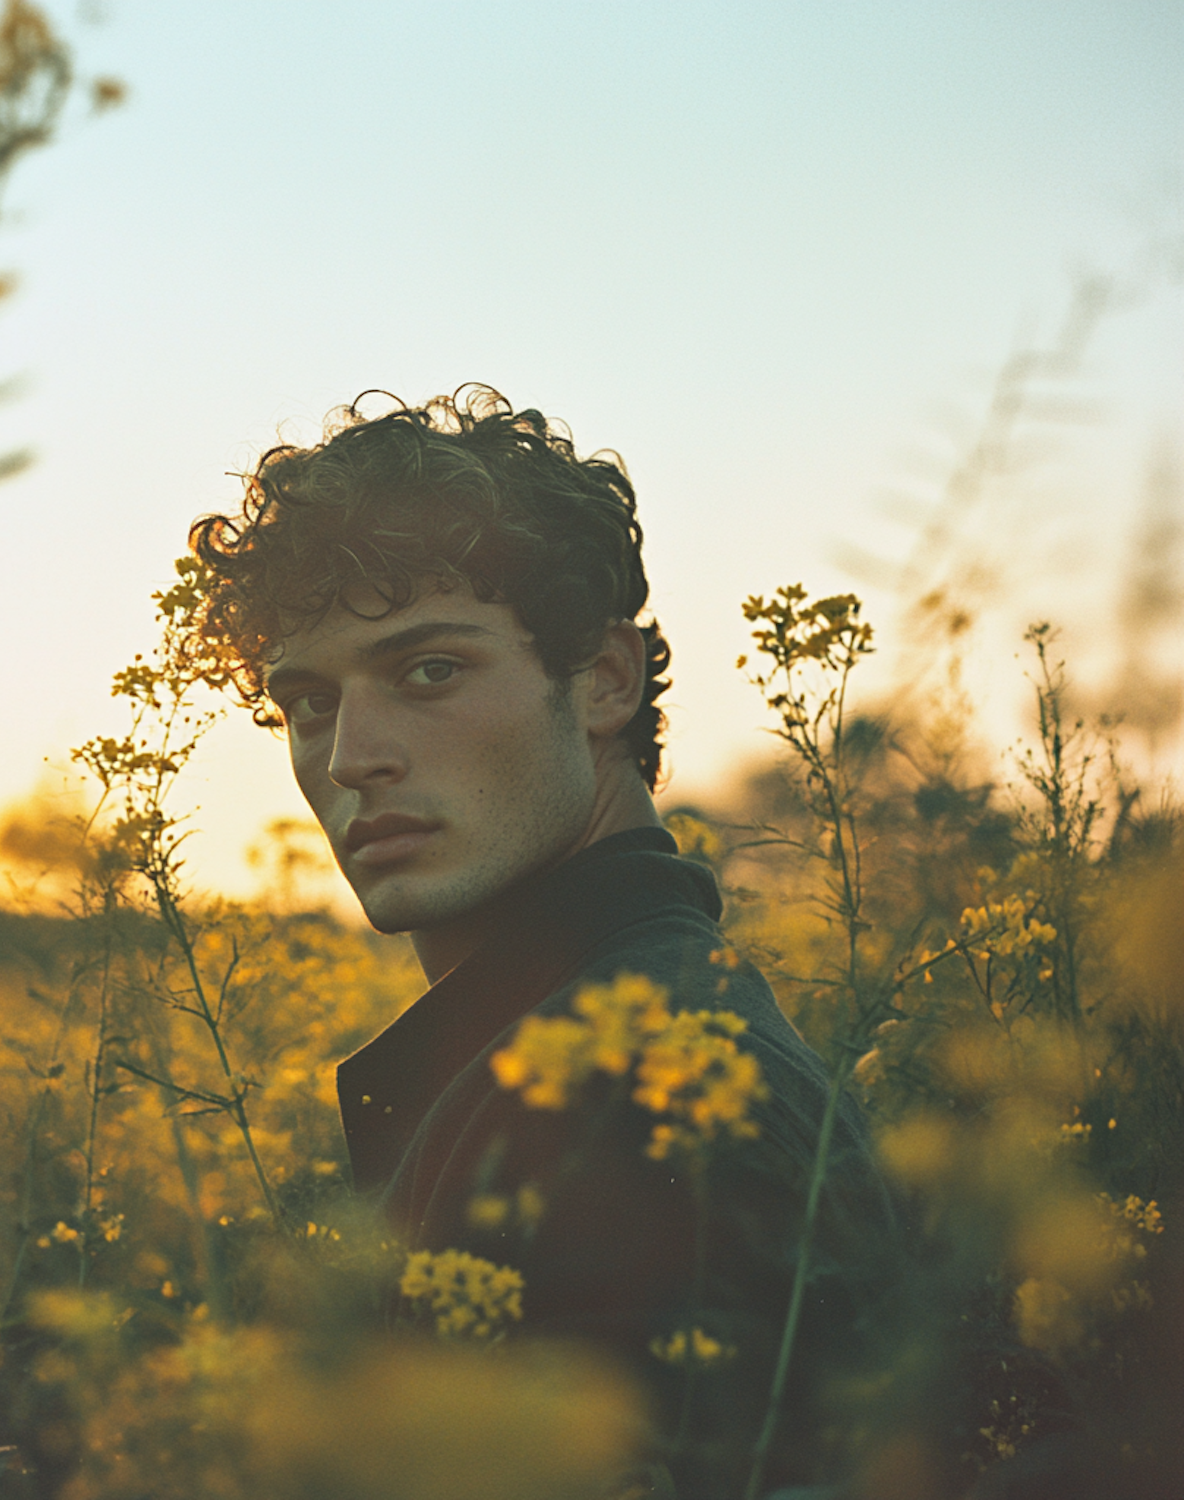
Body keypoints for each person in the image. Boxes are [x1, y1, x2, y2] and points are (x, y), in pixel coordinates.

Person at [186, 386, 899, 1496]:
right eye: (310, 703)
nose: (350, 758)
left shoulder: (639, 1097)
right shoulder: (595, 1050)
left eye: (430, 672)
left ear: (606, 682)